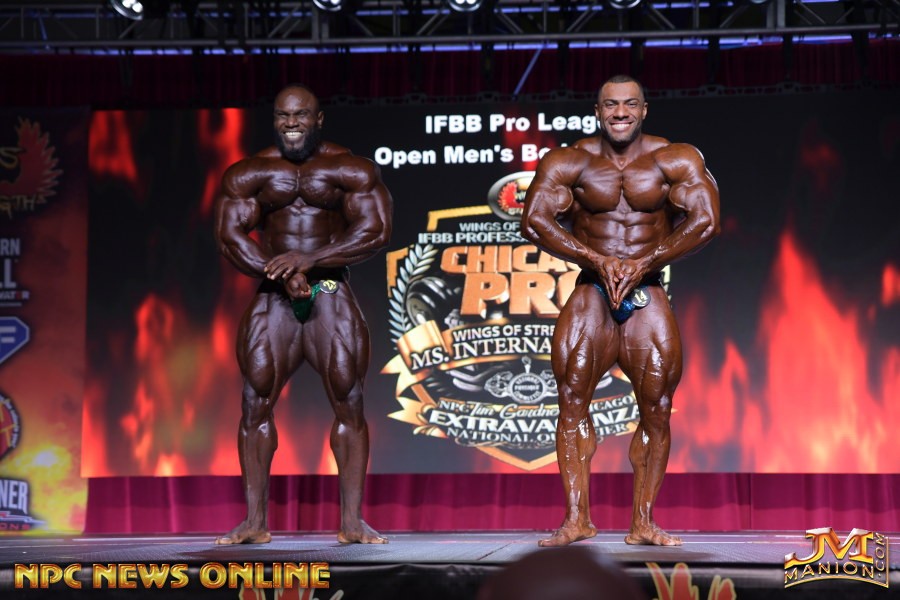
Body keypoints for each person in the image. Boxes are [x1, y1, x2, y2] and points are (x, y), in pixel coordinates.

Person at [521, 75, 720, 547]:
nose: (620, 113)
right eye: (611, 105)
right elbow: (534, 220)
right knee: (571, 399)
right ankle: (577, 519)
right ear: (597, 111)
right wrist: (596, 258)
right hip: (591, 290)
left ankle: (643, 522)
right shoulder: (570, 160)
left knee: (657, 408)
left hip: (646, 290)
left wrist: (646, 261)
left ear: (644, 109)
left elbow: (707, 221)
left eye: (630, 104)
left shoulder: (675, 158)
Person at [213, 84, 392, 545]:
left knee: (349, 397)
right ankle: (254, 522)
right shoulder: (251, 172)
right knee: (255, 399)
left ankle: (352, 522)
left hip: (328, 287)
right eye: (283, 116)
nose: (291, 123)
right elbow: (230, 237)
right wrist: (279, 272)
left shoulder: (348, 168)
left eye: (300, 115)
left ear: (318, 119)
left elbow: (375, 230)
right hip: (274, 293)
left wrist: (310, 261)